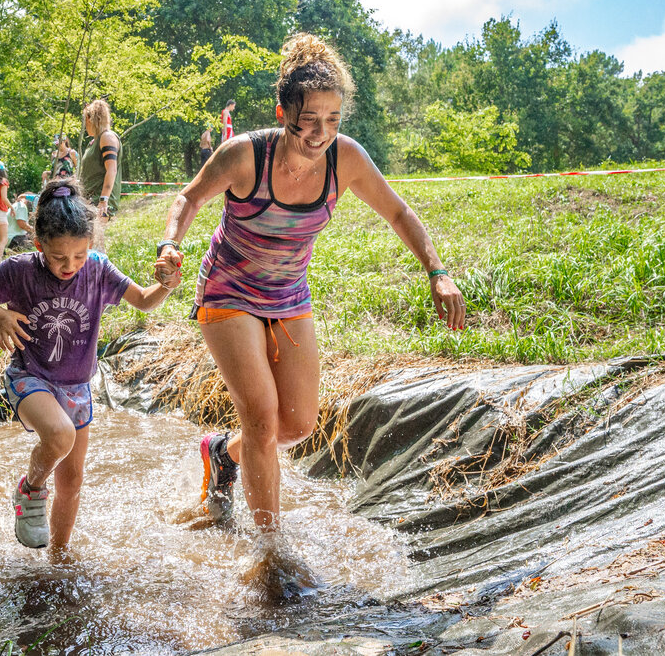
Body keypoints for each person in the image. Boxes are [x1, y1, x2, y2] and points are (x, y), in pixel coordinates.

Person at [155, 33, 465, 534]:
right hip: (228, 289)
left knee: (295, 426)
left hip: (288, 295)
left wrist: (438, 272)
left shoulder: (347, 160)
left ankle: (221, 454)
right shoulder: (243, 156)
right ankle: (269, 552)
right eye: (309, 121)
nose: (322, 133)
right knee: (260, 417)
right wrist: (169, 244)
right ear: (283, 114)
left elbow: (399, 212)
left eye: (333, 120)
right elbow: (188, 199)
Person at [0, 177, 181, 550]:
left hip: (77, 386)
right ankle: (30, 489)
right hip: (30, 376)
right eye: (58, 257)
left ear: (90, 245)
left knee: (73, 480)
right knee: (59, 436)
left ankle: (58, 559)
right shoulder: (21, 270)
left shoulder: (97, 268)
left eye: (78, 255)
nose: (69, 265)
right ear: (39, 244)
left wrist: (168, 284)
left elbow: (143, 300)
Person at [78, 99, 122, 252]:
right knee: (88, 242)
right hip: (88, 199)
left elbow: (112, 170)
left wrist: (103, 201)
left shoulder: (107, 137)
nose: (85, 124)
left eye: (85, 119)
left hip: (100, 200)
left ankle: (100, 273)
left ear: (91, 118)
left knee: (94, 244)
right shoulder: (94, 142)